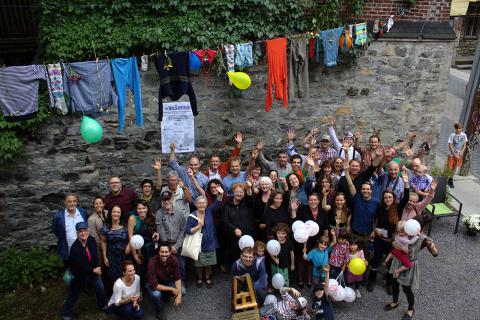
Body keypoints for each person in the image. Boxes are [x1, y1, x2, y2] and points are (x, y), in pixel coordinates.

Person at [384, 217, 438, 320]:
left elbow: (435, 254)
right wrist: (395, 244)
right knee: (394, 283)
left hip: (409, 265)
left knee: (407, 289)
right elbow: (392, 240)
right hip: (397, 261)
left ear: (420, 228)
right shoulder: (404, 230)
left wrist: (432, 246)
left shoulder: (423, 239)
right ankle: (395, 302)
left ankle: (410, 309)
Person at [367, 174, 409, 293]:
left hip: (393, 241)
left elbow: (406, 197)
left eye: (390, 197)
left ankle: (389, 283)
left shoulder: (398, 208)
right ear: (383, 198)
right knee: (376, 259)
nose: (388, 199)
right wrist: (374, 231)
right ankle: (371, 281)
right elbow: (376, 222)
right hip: (380, 239)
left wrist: (406, 183)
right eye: (386, 197)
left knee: (392, 262)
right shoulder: (380, 208)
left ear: (393, 197)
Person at [63, 222, 108, 319]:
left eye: (85, 230)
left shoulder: (91, 240)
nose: (83, 233)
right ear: (77, 233)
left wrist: (98, 269)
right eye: (80, 231)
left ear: (88, 231)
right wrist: (94, 270)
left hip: (92, 271)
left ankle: (103, 306)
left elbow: (95, 255)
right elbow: (80, 266)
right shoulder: (75, 248)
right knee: (73, 295)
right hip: (78, 275)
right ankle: (66, 315)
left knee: (100, 288)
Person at [185, 186, 224, 288]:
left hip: (210, 243)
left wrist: (221, 193)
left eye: (203, 203)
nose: (201, 204)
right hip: (198, 244)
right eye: (199, 203)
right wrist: (198, 226)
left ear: (206, 204)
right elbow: (188, 231)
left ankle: (207, 277)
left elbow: (218, 202)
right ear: (195, 204)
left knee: (208, 262)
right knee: (199, 264)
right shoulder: (192, 216)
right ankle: (199, 277)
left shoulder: (209, 211)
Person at [291, 193, 330, 287]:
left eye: (315, 200)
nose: (313, 202)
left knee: (312, 260)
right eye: (311, 200)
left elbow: (325, 227)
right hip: (303, 239)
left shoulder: (322, 212)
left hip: (317, 241)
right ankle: (300, 278)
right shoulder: (303, 210)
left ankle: (309, 279)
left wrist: (326, 240)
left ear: (318, 201)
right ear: (308, 201)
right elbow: (295, 221)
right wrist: (293, 210)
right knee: (301, 258)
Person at [345, 159, 380, 258]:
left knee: (365, 257)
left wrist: (375, 229)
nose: (365, 191)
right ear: (360, 190)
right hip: (354, 234)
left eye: (368, 189)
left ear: (371, 191)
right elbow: (350, 184)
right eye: (364, 189)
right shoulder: (357, 197)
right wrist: (346, 171)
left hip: (367, 236)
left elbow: (377, 217)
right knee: (351, 256)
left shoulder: (376, 202)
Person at [155, 190, 187, 282]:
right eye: (164, 200)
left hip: (178, 244)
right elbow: (160, 230)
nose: (166, 202)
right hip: (165, 245)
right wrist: (169, 248)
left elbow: (183, 230)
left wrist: (176, 246)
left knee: (181, 265)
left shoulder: (180, 213)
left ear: (172, 199)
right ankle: (169, 285)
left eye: (168, 199)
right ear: (162, 201)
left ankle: (182, 283)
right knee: (167, 266)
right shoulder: (159, 214)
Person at [146, 242, 184, 318]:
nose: (164, 254)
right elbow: (155, 286)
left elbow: (177, 278)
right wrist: (171, 288)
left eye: (166, 252)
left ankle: (165, 296)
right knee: (157, 295)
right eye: (162, 252)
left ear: (170, 252)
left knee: (183, 291)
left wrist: (179, 296)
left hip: (166, 281)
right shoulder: (152, 263)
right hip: (152, 284)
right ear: (158, 252)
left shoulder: (174, 259)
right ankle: (159, 311)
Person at [222, 182, 256, 266]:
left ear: (244, 193)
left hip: (247, 235)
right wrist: (234, 229)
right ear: (233, 192)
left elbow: (250, 197)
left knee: (247, 256)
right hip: (233, 236)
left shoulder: (247, 202)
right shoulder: (227, 204)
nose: (239, 194)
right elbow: (225, 220)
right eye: (237, 192)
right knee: (235, 256)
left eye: (241, 192)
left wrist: (248, 188)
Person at [52, 193, 88, 266]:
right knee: (71, 274)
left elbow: (87, 227)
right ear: (65, 202)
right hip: (68, 252)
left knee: (85, 272)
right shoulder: (58, 217)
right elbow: (56, 231)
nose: (72, 203)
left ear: (77, 202)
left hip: (84, 250)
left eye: (74, 201)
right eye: (69, 201)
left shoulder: (83, 212)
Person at [128, 200, 159, 282]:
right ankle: (142, 290)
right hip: (139, 250)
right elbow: (130, 238)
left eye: (144, 208)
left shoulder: (152, 217)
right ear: (136, 209)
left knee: (152, 270)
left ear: (147, 209)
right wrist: (135, 255)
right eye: (139, 208)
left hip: (151, 249)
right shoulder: (132, 219)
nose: (142, 210)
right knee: (141, 272)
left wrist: (156, 236)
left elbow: (155, 233)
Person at [101, 205, 129, 283]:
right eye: (114, 212)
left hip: (125, 256)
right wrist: (104, 257)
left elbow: (131, 238)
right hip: (112, 257)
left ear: (121, 214)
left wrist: (128, 247)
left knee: (126, 276)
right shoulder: (106, 226)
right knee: (115, 279)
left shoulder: (126, 226)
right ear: (110, 213)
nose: (116, 214)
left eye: (118, 212)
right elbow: (103, 241)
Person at [269, 223, 295, 287]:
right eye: (279, 233)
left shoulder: (289, 243)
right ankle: (276, 287)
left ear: (286, 234)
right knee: (275, 277)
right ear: (276, 233)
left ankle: (285, 290)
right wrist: (274, 259)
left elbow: (292, 254)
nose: (281, 235)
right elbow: (270, 253)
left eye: (283, 233)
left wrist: (292, 264)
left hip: (284, 265)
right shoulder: (274, 242)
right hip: (274, 265)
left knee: (284, 278)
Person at [445, 122, 468, 188]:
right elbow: (450, 145)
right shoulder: (452, 135)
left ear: (461, 129)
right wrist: (454, 154)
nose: (458, 130)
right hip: (452, 153)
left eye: (460, 128)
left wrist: (461, 152)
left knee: (455, 167)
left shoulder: (464, 135)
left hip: (459, 154)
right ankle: (445, 178)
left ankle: (450, 179)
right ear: (455, 129)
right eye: (457, 128)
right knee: (449, 166)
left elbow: (464, 145)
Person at [88, 196, 107, 265]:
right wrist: (104, 245)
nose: (98, 205)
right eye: (96, 204)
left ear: (103, 204)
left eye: (100, 203)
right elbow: (94, 237)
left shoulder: (108, 213)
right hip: (100, 247)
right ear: (93, 205)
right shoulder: (91, 219)